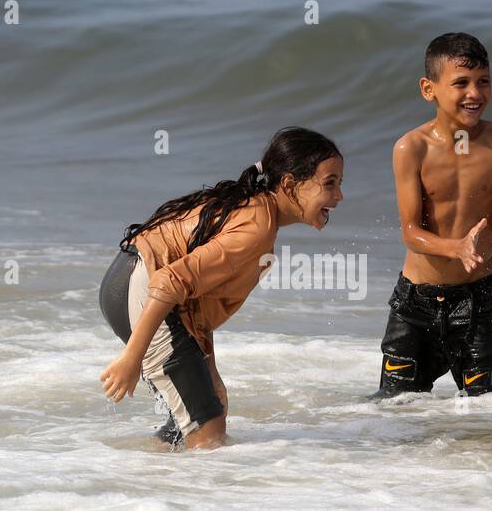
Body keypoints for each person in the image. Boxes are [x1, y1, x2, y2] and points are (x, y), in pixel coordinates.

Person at [99, 127, 344, 449]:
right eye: (330, 184)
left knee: (202, 414)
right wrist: (132, 358)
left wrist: (210, 369)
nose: (339, 196)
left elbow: (198, 300)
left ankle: (139, 473)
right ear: (289, 184)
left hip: (132, 282)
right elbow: (170, 281)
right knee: (208, 433)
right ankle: (156, 490)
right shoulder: (256, 228)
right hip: (144, 290)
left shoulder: (258, 212)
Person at [372, 32, 492, 399]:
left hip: (480, 302)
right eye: (461, 83)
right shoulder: (411, 147)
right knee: (395, 413)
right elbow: (410, 232)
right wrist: (456, 248)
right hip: (415, 305)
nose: (475, 93)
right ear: (428, 88)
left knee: (484, 419)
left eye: (484, 82)